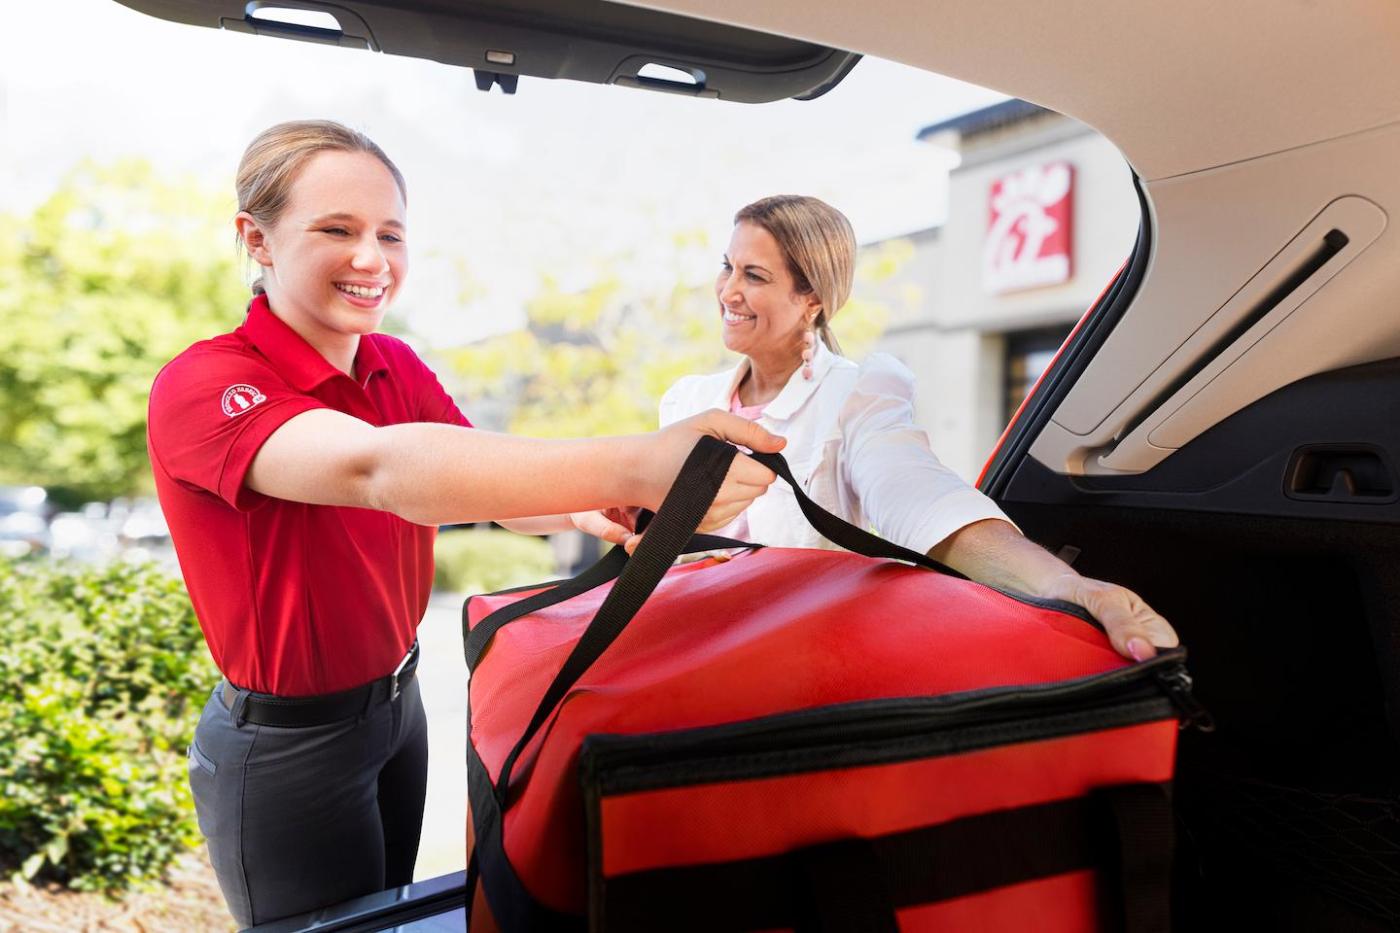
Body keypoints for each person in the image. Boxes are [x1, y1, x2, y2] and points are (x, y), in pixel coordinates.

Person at [145, 120, 783, 927]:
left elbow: (482, 483)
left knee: (392, 917)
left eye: (390, 233)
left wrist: (595, 506)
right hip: (287, 747)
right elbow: (377, 469)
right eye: (336, 230)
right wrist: (634, 460)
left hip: (398, 711)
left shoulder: (395, 365)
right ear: (257, 238)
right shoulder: (207, 383)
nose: (371, 258)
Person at [588, 194, 1178, 662]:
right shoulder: (687, 400)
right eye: (727, 267)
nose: (729, 291)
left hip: (791, 666)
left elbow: (920, 498)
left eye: (755, 276)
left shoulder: (857, 393)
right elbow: (605, 507)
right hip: (673, 652)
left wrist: (1072, 589)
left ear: (811, 296)